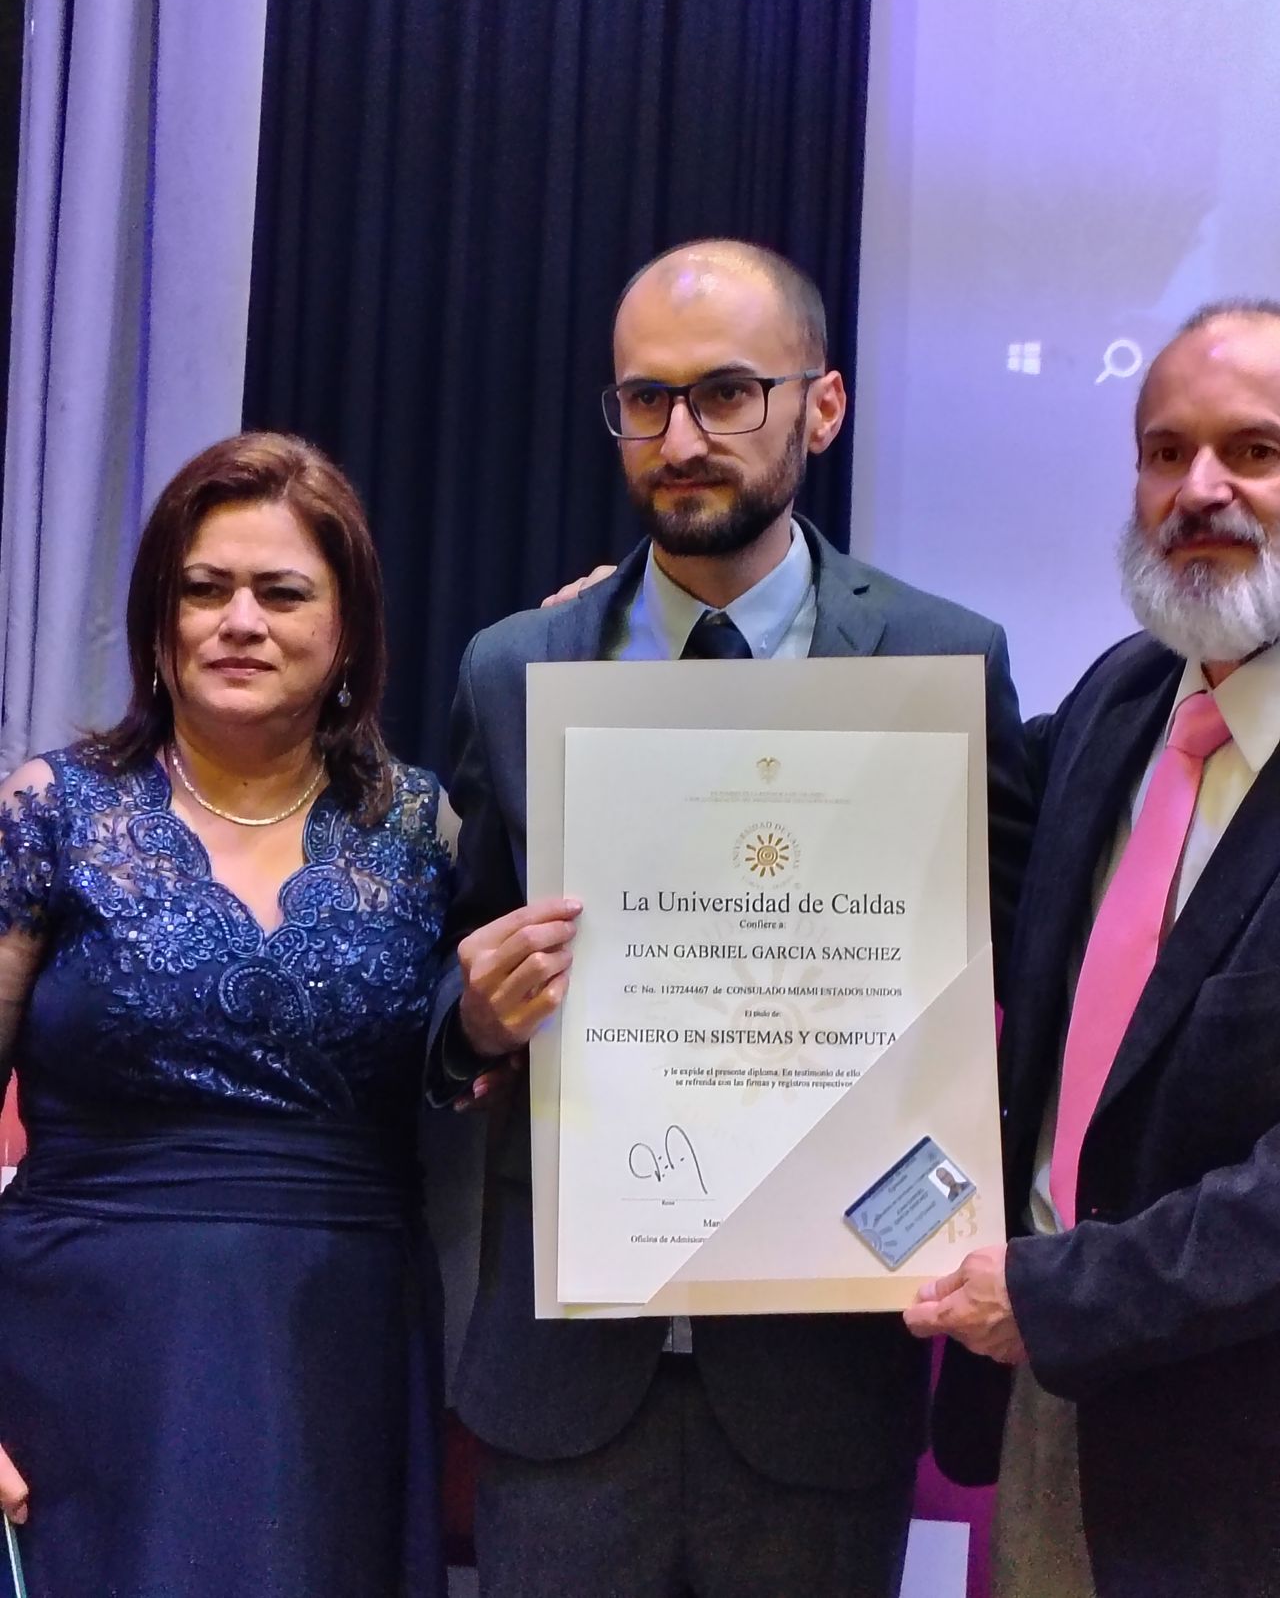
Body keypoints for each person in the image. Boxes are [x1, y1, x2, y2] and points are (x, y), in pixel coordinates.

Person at [430, 239, 1033, 1597]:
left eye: (725, 393)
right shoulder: (515, 667)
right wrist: (472, 1017)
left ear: (821, 406)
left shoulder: (943, 659)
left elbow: (1010, 972)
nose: (681, 437)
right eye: (645, 399)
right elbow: (449, 978)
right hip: (566, 1382)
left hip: (821, 1383)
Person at [0, 432, 462, 1596]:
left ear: (348, 628)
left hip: (339, 1365)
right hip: (78, 1367)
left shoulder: (427, 832)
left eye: (281, 592)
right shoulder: (50, 812)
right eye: (203, 589)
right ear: (159, 624)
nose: (239, 621)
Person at [911, 300, 1280, 1597]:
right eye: (1164, 452)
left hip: (1244, 1462)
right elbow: (878, 808)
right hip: (1054, 1416)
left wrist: (1069, 1297)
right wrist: (649, 649)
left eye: (1254, 451)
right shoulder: (1120, 700)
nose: (1200, 489)